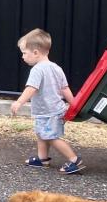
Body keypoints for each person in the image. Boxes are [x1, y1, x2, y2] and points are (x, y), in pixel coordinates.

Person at [10, 28, 84, 174]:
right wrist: (75, 104)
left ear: (36, 52)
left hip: (49, 112)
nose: (23, 56)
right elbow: (65, 88)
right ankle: (42, 158)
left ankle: (75, 160)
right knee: (41, 133)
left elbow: (31, 88)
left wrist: (19, 102)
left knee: (50, 137)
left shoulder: (37, 70)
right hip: (53, 110)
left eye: (24, 53)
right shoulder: (56, 68)